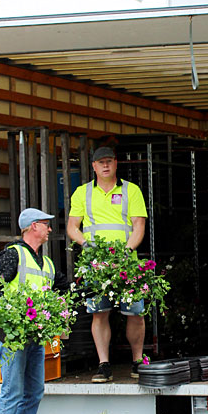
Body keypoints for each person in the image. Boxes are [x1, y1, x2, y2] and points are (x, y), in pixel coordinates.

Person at [0, 208, 67, 414]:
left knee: (34, 391)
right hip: (11, 336)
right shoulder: (13, 255)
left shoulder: (48, 264)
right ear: (33, 227)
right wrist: (12, 316)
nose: (50, 229)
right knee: (13, 390)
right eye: (46, 224)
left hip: (34, 336)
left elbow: (65, 286)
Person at [67, 144, 148, 382]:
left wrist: (126, 251)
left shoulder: (130, 190)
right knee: (99, 313)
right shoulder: (83, 192)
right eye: (100, 162)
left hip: (127, 264)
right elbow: (73, 226)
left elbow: (138, 226)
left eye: (109, 161)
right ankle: (104, 364)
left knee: (135, 313)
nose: (105, 165)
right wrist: (85, 244)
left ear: (115, 163)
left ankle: (137, 361)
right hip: (95, 264)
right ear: (93, 166)